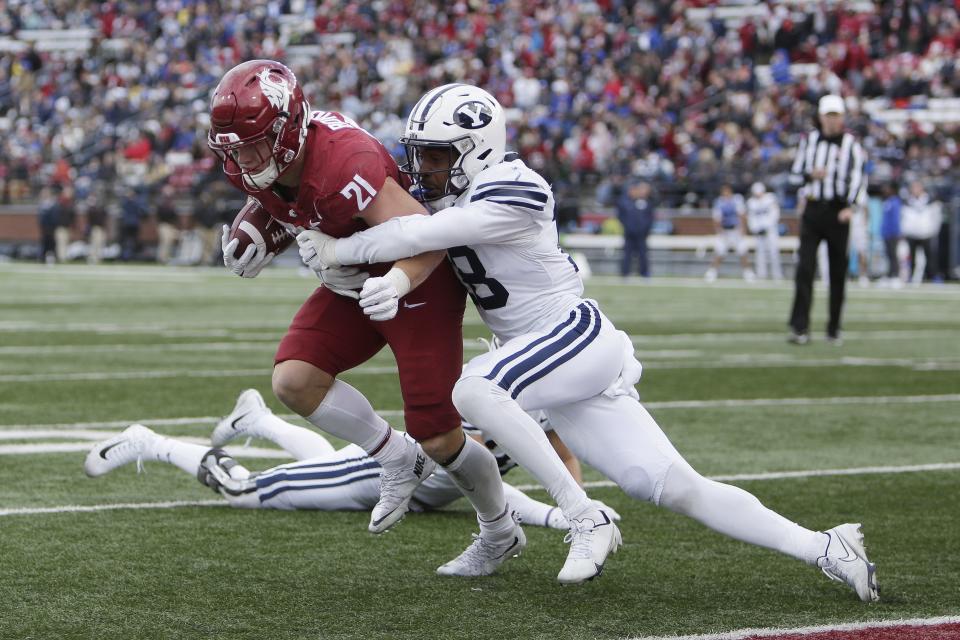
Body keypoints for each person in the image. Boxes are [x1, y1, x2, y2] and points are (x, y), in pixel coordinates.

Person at [298, 83, 880, 600]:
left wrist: (339, 251)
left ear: (477, 148)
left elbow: (423, 232)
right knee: (671, 486)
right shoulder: (450, 193)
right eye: (419, 155)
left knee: (473, 389)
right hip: (546, 363)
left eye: (437, 154)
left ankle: (583, 517)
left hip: (570, 334)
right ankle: (827, 547)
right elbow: (409, 231)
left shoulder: (513, 183)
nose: (423, 168)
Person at [206, 61, 521, 572]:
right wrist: (262, 226)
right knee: (294, 379)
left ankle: (498, 530)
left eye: (253, 145)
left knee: (439, 434)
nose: (243, 158)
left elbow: (425, 235)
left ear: (287, 131)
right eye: (234, 148)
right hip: (353, 281)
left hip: (414, 280)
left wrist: (394, 282)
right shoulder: (267, 157)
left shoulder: (342, 162)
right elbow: (288, 203)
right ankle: (395, 458)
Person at [82, 389, 611, 531]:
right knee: (246, 492)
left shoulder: (545, 406)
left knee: (330, 461)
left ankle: (258, 421)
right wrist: (552, 515)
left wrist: (579, 503)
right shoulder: (489, 397)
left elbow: (562, 454)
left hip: (420, 491)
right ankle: (151, 441)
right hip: (385, 472)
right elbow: (480, 475)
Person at [787, 95, 867, 345]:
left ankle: (834, 327)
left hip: (838, 212)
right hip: (812, 210)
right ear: (821, 116)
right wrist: (810, 175)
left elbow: (858, 178)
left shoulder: (852, 145)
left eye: (836, 115)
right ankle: (800, 327)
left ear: (842, 117)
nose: (832, 120)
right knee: (805, 268)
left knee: (838, 272)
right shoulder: (809, 141)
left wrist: (850, 207)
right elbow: (794, 175)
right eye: (828, 115)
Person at [705, 184, 754, 282]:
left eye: (727, 191)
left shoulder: (737, 200)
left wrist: (743, 229)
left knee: (742, 251)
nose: (725, 194)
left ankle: (748, 273)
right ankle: (712, 272)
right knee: (720, 252)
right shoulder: (719, 202)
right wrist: (719, 231)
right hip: (725, 231)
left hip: (736, 230)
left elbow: (742, 215)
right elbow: (716, 218)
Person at [900, 180, 942, 284]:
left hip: (926, 233)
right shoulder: (907, 201)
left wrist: (933, 230)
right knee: (911, 258)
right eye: (913, 188)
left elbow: (936, 217)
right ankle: (911, 277)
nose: (915, 190)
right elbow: (904, 217)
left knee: (930, 257)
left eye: (917, 187)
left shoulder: (930, 200)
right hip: (912, 234)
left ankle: (933, 277)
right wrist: (905, 230)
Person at [615, 181, 655, 278]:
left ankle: (644, 273)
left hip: (642, 234)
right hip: (629, 233)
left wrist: (645, 228)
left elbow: (650, 218)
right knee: (627, 254)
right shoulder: (624, 202)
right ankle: (625, 273)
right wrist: (628, 226)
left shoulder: (646, 202)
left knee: (643, 254)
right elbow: (621, 216)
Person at [745, 182, 783, 281]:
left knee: (773, 252)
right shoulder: (751, 202)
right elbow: (751, 218)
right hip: (759, 232)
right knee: (760, 254)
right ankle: (762, 275)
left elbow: (775, 214)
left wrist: (767, 226)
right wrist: (755, 229)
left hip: (770, 230)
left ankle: (777, 275)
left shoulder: (770, 199)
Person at [879, 185, 902, 285]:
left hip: (893, 233)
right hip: (886, 233)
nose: (885, 190)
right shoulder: (887, 201)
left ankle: (895, 276)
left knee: (893, 255)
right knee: (888, 255)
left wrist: (895, 231)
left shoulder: (895, 201)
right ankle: (889, 275)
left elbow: (896, 219)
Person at [154, 184, 180, 264]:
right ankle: (162, 258)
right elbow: (161, 214)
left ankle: (167, 257)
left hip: (171, 225)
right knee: (165, 241)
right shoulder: (162, 203)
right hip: (163, 224)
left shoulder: (172, 203)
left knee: (170, 241)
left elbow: (175, 216)